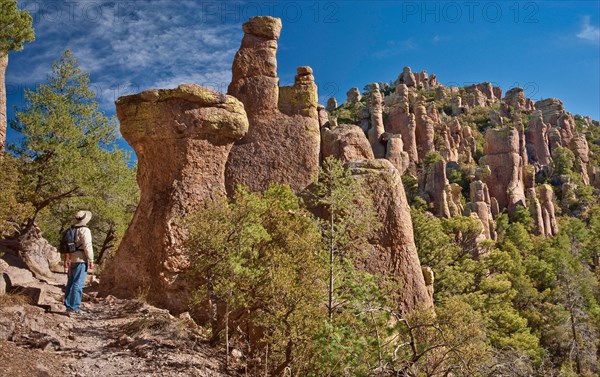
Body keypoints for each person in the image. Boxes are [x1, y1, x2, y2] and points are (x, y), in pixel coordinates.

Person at [64, 210, 94, 315]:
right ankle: (74, 307)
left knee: (71, 282)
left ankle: (68, 306)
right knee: (78, 284)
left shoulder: (71, 229)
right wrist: (91, 259)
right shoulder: (85, 230)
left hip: (72, 258)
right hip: (81, 260)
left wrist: (67, 259)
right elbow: (87, 245)